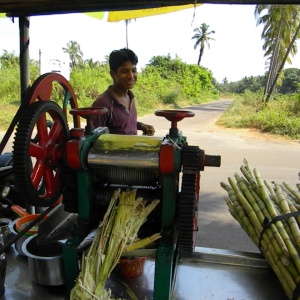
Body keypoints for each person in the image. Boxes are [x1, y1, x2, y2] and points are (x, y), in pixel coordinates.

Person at [92, 48, 155, 136]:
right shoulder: (103, 104)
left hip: (133, 149)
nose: (131, 76)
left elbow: (123, 124)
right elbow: (94, 139)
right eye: (124, 71)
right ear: (113, 74)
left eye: (133, 70)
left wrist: (141, 126)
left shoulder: (130, 97)